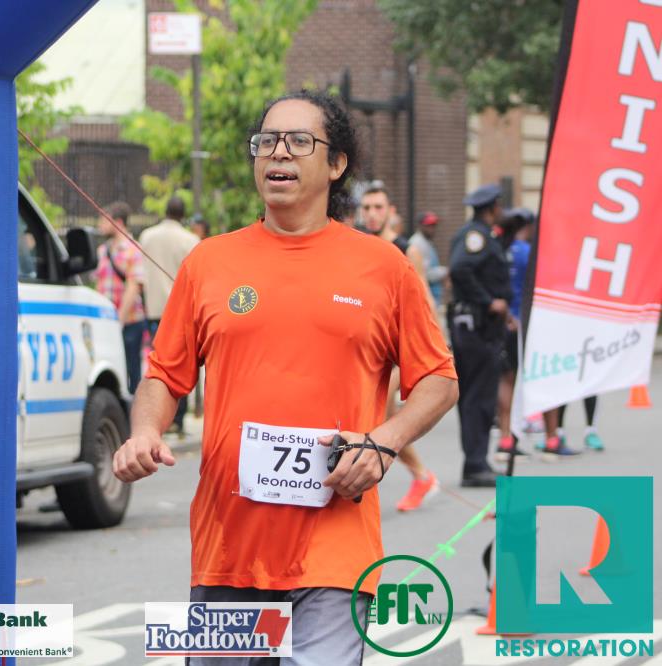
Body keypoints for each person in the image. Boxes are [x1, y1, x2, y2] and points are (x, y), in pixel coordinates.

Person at [113, 90, 458, 665]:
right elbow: (163, 377)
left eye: (299, 141)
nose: (279, 152)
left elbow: (439, 379)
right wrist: (145, 431)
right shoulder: (208, 263)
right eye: (267, 141)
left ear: (336, 163)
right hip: (228, 546)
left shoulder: (383, 268)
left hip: (337, 545)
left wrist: (384, 443)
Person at [358, 184, 440, 512]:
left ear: (391, 212)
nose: (372, 214)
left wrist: (437, 344)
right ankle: (421, 476)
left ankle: (415, 476)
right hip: (369, 344)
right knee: (379, 415)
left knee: (380, 414)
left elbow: (424, 297)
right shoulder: (359, 246)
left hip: (399, 347)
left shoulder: (407, 249)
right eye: (367, 208)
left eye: (378, 207)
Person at [448, 183, 512, 486]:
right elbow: (460, 269)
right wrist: (488, 302)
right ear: (493, 207)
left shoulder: (479, 235)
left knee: (476, 396)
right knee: (479, 397)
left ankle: (476, 462)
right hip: (478, 329)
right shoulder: (477, 236)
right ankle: (475, 465)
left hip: (478, 328)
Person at [139, 195, 200, 435]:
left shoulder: (147, 236)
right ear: (183, 215)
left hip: (154, 309)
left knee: (160, 365)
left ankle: (159, 421)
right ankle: (178, 419)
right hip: (181, 312)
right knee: (181, 366)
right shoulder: (190, 240)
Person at [95, 201, 146, 395]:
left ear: (118, 222)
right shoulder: (103, 251)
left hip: (130, 321)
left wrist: (119, 320)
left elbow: (134, 286)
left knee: (131, 369)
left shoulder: (133, 250)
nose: (100, 225)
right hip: (107, 320)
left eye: (104, 221)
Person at [494, 207, 533, 461]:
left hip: (500, 322)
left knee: (504, 378)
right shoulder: (526, 252)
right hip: (519, 322)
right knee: (514, 380)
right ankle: (510, 437)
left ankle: (505, 435)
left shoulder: (498, 248)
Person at [408, 212, 448, 304]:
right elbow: (423, 273)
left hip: (433, 296)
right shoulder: (417, 244)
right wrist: (444, 272)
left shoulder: (426, 242)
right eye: (429, 225)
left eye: (434, 225)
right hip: (425, 298)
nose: (432, 229)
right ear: (420, 226)